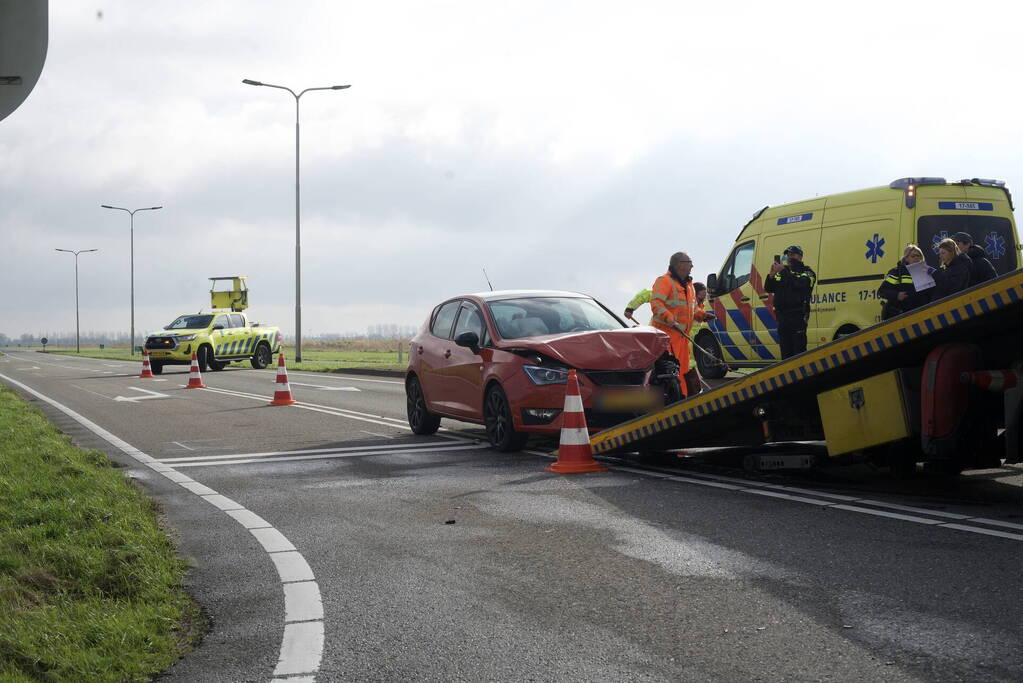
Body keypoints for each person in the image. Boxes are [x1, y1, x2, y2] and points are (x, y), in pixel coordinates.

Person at [649, 253, 713, 397]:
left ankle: (682, 400)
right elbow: (656, 304)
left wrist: (702, 315)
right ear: (680, 264)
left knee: (682, 372)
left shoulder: (689, 285)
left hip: (682, 339)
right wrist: (670, 319)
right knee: (672, 373)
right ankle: (675, 401)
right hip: (667, 338)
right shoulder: (664, 281)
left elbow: (692, 308)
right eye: (689, 262)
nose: (692, 266)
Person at [764, 245, 816, 359]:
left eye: (792, 254)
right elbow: (769, 288)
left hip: (798, 316)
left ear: (800, 257)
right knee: (785, 351)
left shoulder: (807, 272)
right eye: (788, 255)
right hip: (783, 317)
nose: (789, 257)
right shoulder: (784, 272)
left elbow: (800, 284)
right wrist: (771, 275)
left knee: (799, 351)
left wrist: (784, 271)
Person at [877, 244, 930, 320]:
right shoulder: (897, 272)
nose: (916, 258)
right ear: (906, 258)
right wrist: (896, 295)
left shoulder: (926, 273)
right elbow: (882, 291)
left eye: (918, 256)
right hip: (899, 315)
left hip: (919, 316)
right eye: (913, 256)